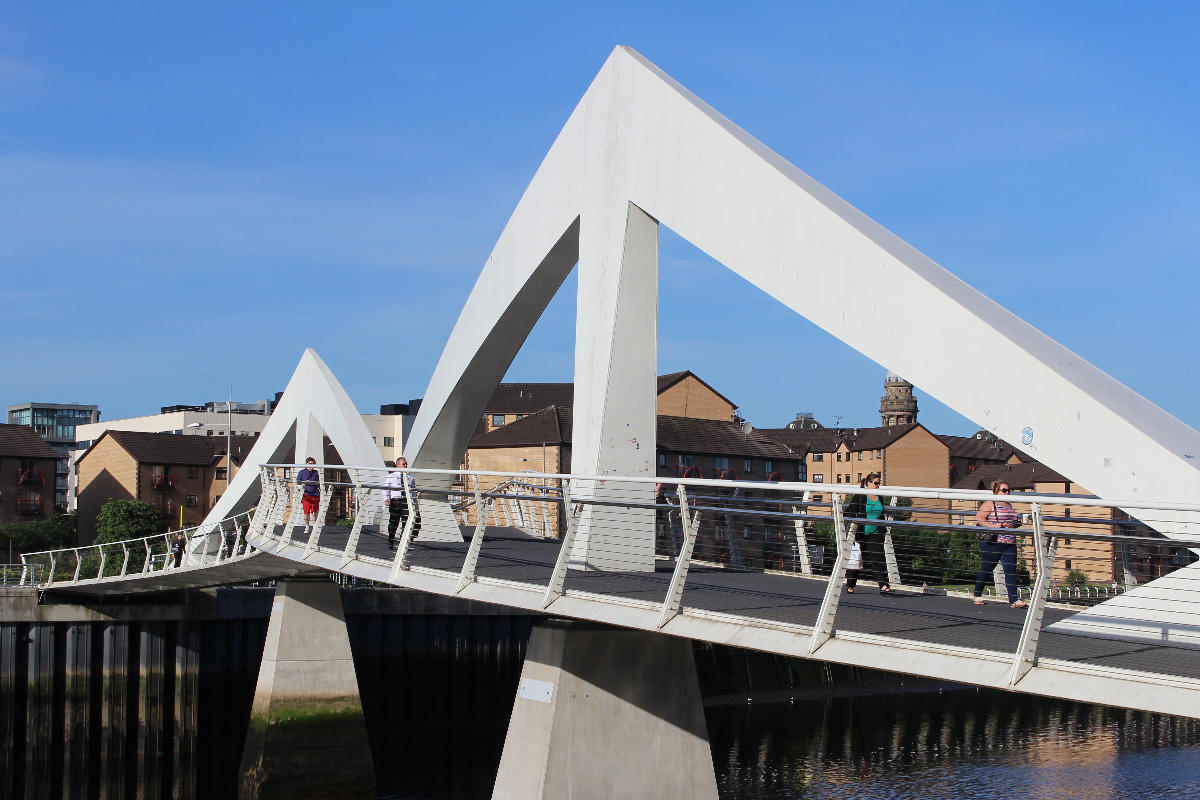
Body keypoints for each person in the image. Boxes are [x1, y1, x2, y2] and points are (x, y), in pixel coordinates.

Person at [974, 480, 1028, 608]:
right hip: (994, 542)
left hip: (1009, 542)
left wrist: (1022, 522)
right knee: (987, 568)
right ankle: (977, 594)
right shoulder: (990, 504)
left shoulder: (1009, 505)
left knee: (1010, 570)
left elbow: (1012, 523)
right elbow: (979, 519)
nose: (1007, 492)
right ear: (996, 491)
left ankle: (1014, 600)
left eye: (1008, 490)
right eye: (1004, 490)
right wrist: (993, 525)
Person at [842, 473, 892, 594]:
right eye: (875, 483)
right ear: (867, 483)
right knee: (858, 558)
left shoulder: (879, 496)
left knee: (877, 557)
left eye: (879, 483)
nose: (877, 485)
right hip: (861, 532)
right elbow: (850, 513)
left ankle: (883, 586)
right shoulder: (860, 496)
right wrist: (852, 533)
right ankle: (850, 584)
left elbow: (881, 513)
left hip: (876, 532)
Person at [384, 457, 420, 550]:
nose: (406, 466)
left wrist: (414, 501)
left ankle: (402, 542)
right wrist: (386, 499)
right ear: (398, 465)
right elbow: (386, 489)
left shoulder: (410, 477)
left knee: (406, 523)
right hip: (395, 502)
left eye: (406, 464)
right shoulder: (391, 476)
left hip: (406, 502)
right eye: (404, 464)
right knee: (393, 522)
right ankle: (390, 540)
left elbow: (413, 490)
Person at [296, 457, 321, 536]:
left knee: (315, 511)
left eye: (313, 464)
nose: (311, 465)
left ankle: (316, 526)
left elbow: (320, 482)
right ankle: (307, 526)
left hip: (315, 494)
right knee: (306, 512)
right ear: (306, 464)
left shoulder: (316, 472)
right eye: (310, 464)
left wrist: (317, 484)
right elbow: (298, 482)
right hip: (306, 495)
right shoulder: (302, 472)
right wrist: (305, 482)